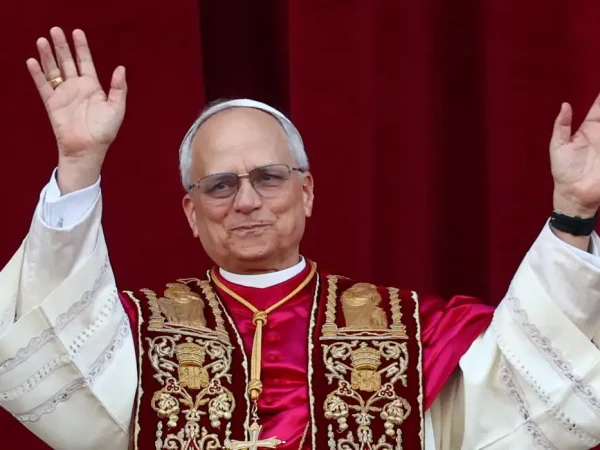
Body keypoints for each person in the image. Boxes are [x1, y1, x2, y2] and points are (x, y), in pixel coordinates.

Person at [2, 26, 600, 450]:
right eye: (218, 185)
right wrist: (78, 165)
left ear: (307, 192)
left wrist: (572, 213)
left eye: (268, 177)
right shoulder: (133, 333)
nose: (246, 201)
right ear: (189, 211)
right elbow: (50, 350)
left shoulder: (413, 330)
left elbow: (527, 386)